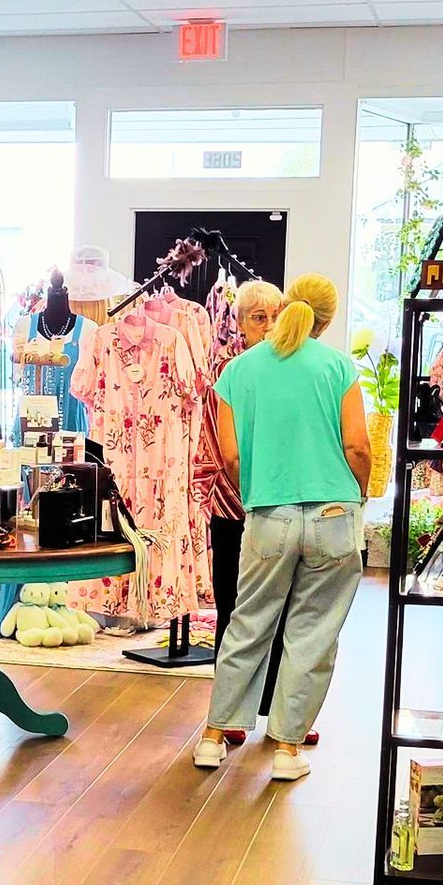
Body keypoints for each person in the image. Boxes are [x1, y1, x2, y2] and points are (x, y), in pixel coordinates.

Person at [193, 273, 368, 782]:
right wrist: (358, 492)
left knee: (247, 623)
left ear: (286, 305)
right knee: (312, 633)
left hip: (268, 514)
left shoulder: (239, 370)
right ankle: (287, 749)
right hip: (333, 515)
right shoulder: (338, 366)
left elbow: (228, 454)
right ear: (327, 319)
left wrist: (258, 489)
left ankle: (213, 737)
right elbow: (357, 446)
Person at [198, 280, 297, 747]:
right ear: (237, 322)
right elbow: (222, 449)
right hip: (236, 504)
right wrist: (250, 488)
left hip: (282, 504)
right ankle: (231, 712)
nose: (269, 325)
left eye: (276, 314)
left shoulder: (294, 365)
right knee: (233, 609)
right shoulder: (227, 369)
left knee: (284, 607)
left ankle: (278, 712)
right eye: (258, 316)